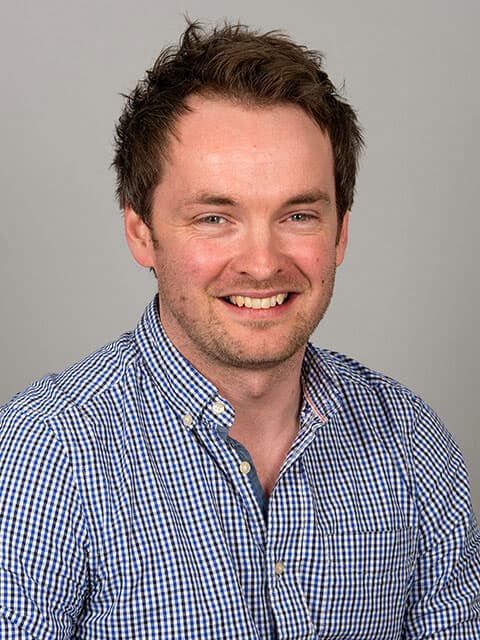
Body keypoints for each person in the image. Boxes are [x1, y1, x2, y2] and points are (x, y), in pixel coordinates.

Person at [1, 20, 479, 639]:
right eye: (215, 217)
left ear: (340, 234)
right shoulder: (41, 460)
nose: (261, 262)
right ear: (141, 233)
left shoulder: (414, 445)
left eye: (299, 214)